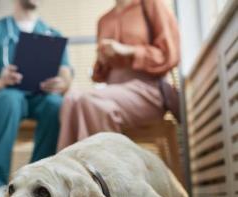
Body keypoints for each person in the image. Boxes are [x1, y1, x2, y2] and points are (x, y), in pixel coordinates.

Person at [0, 0, 72, 194]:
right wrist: (0, 81)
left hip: (41, 98)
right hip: (6, 98)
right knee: (8, 100)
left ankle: (39, 182)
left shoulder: (53, 35)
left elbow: (66, 76)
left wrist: (61, 84)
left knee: (56, 104)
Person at [57, 0, 180, 150]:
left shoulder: (151, 5)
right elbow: (99, 75)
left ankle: (95, 169)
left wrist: (129, 50)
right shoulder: (104, 20)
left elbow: (169, 55)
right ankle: (70, 170)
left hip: (148, 90)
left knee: (90, 102)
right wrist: (102, 61)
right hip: (113, 91)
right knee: (70, 98)